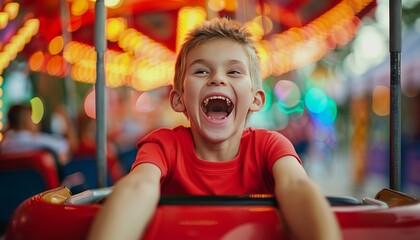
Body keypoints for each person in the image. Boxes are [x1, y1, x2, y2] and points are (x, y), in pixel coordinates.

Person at [88, 17, 342, 240]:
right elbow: (138, 186)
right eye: (201, 70)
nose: (217, 78)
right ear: (179, 99)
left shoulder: (270, 145)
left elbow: (296, 186)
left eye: (233, 71)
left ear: (255, 99)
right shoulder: (163, 146)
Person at [0, 103, 77, 165]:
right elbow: (68, 146)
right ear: (26, 122)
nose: (37, 123)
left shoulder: (4, 146)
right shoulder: (35, 141)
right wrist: (66, 118)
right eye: (32, 118)